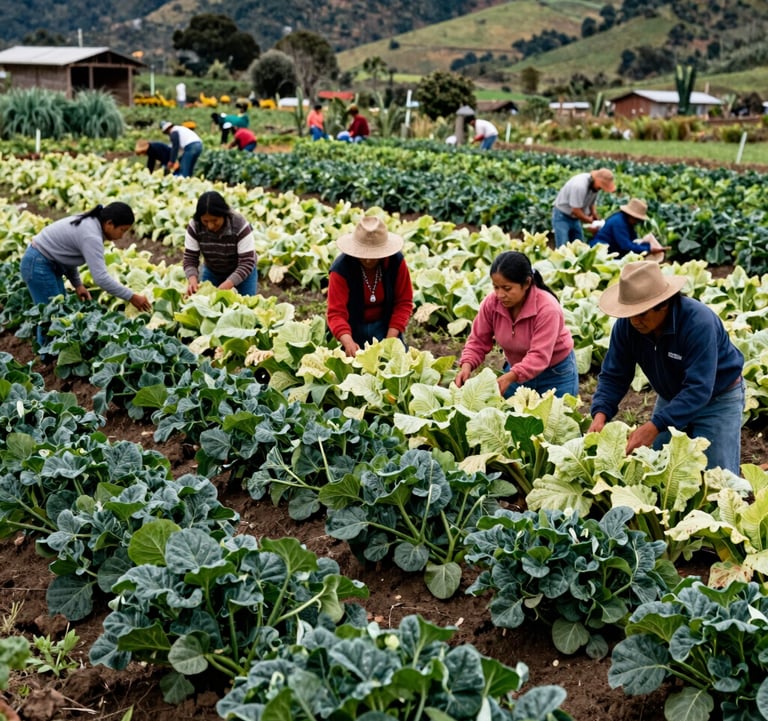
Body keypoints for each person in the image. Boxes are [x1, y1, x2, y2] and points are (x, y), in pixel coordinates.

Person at [588, 261, 745, 474]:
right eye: (629, 313)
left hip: (718, 398)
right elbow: (615, 375)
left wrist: (656, 424)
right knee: (658, 469)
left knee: (718, 478)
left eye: (641, 313)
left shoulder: (698, 323)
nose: (634, 320)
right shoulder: (626, 327)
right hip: (671, 397)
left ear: (664, 304)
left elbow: (699, 388)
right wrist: (600, 413)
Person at [20, 202, 152, 355]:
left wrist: (78, 284)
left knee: (57, 312)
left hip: (45, 264)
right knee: (52, 318)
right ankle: (47, 358)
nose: (122, 236)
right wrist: (132, 297)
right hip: (39, 265)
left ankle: (51, 356)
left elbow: (68, 254)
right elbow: (101, 278)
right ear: (109, 224)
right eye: (122, 230)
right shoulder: (91, 235)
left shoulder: (91, 223)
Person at [454, 251, 578, 399]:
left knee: (554, 420)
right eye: (496, 287)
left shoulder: (547, 309)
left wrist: (510, 376)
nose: (500, 294)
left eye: (507, 288)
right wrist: (466, 365)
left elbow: (539, 356)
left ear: (526, 283)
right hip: (516, 372)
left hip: (555, 375)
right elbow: (478, 340)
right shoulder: (492, 303)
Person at [327, 216, 413, 356]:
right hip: (351, 329)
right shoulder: (341, 269)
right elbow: (336, 313)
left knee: (396, 362)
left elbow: (403, 303)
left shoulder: (396, 262)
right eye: (363, 253)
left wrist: (390, 341)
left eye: (373, 254)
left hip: (385, 327)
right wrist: (348, 342)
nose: (367, 259)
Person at [183, 191, 258, 297]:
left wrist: (225, 287)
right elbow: (190, 258)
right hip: (213, 271)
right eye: (205, 221)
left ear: (224, 214)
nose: (210, 226)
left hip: (243, 274)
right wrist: (192, 280)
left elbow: (247, 262)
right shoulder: (195, 226)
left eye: (215, 220)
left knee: (246, 308)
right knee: (207, 306)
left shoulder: (239, 224)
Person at [552, 167, 617, 248]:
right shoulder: (579, 186)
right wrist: (590, 221)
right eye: (601, 186)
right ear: (597, 180)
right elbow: (576, 210)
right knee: (563, 246)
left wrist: (595, 215)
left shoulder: (594, 188)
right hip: (562, 216)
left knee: (580, 246)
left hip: (575, 218)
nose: (600, 189)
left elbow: (591, 203)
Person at [590, 197, 667, 261]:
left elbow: (633, 240)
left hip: (613, 249)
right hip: (602, 252)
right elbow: (625, 246)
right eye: (637, 219)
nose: (637, 222)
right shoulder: (619, 222)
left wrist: (647, 244)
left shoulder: (627, 222)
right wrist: (649, 249)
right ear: (631, 215)